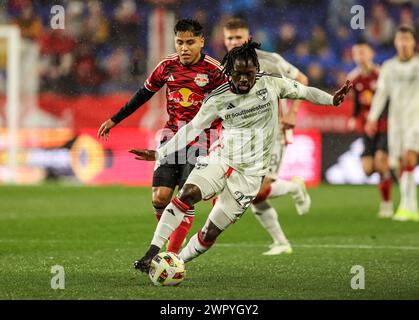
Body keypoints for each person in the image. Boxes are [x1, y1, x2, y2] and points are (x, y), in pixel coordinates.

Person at [130, 40, 352, 272]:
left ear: (256, 70)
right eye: (238, 74)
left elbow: (304, 91)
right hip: (222, 157)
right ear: (229, 72)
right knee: (188, 194)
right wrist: (161, 153)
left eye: (249, 73)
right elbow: (191, 129)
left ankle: (176, 263)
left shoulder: (271, 83)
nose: (244, 79)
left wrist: (332, 100)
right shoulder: (217, 98)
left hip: (251, 173)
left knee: (210, 232)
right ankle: (152, 252)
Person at [98, 19, 226, 252]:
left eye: (190, 42)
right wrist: (114, 119)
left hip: (202, 139)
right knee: (160, 197)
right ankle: (173, 235)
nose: (184, 48)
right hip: (171, 136)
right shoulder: (167, 66)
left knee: (185, 197)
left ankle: (171, 254)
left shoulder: (215, 71)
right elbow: (142, 95)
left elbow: (231, 106)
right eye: (179, 42)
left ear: (201, 42)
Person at [223, 18, 310, 255]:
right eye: (229, 38)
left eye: (238, 37)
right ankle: (281, 242)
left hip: (274, 133)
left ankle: (293, 188)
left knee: (259, 191)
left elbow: (302, 81)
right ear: (223, 39)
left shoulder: (270, 60)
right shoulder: (223, 66)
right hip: (245, 138)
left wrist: (292, 113)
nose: (233, 42)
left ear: (248, 38)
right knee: (254, 195)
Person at [366, 26, 419, 222]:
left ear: (414, 42)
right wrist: (372, 117)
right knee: (397, 164)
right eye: (400, 39)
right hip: (395, 122)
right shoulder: (388, 67)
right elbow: (381, 94)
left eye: (407, 39)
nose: (404, 43)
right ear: (396, 42)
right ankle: (411, 206)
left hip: (415, 119)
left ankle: (406, 205)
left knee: (409, 158)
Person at [347, 41, 393, 218]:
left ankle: (386, 204)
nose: (360, 56)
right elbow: (358, 101)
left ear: (371, 54)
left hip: (384, 125)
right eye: (356, 53)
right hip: (367, 128)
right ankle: (388, 172)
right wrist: (353, 117)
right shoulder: (354, 78)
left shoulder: (381, 74)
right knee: (368, 169)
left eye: (363, 52)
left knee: (381, 162)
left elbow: (389, 99)